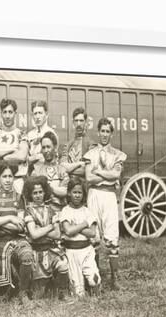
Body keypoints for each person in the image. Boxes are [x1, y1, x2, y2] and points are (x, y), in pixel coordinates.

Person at [84, 118, 127, 290]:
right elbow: (88, 177)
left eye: (107, 131)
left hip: (109, 196)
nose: (104, 134)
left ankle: (114, 279)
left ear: (111, 133)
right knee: (94, 237)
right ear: (98, 132)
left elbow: (116, 175)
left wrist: (99, 172)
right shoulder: (90, 154)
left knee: (111, 237)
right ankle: (95, 279)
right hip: (94, 194)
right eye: (102, 131)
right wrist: (106, 175)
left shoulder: (117, 154)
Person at [0, 160, 35, 305]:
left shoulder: (19, 197)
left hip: (16, 239)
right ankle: (8, 288)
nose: (7, 180)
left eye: (10, 176)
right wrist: (10, 218)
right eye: (4, 176)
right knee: (1, 293)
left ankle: (23, 292)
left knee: (27, 255)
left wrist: (0, 222)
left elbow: (20, 226)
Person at [22, 176, 70, 301]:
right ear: (30, 194)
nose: (38, 195)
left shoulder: (51, 210)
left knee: (63, 265)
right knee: (39, 295)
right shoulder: (28, 212)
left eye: (40, 192)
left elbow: (57, 234)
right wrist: (50, 227)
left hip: (51, 250)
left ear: (45, 192)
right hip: (36, 252)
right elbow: (34, 235)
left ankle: (62, 291)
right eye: (35, 193)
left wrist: (41, 229)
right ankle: (38, 288)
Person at [60, 177, 101, 297]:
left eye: (80, 192)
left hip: (87, 250)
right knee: (78, 292)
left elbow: (92, 233)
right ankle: (80, 289)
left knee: (95, 279)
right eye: (74, 192)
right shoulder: (66, 211)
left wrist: (76, 227)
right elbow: (68, 231)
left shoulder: (87, 211)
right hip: (72, 252)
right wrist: (84, 224)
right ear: (69, 193)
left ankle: (95, 293)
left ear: (83, 194)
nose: (77, 195)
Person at [0, 98, 29, 194]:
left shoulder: (22, 133)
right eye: (5, 112)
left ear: (15, 114)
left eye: (10, 112)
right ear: (1, 114)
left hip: (17, 181)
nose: (7, 116)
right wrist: (13, 149)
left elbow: (21, 156)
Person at [32, 132, 69, 211]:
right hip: (42, 212)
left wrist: (47, 187)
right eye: (43, 147)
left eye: (48, 147)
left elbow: (65, 191)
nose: (46, 150)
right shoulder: (36, 171)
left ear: (55, 147)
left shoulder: (62, 169)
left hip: (60, 211)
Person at [60, 107, 91, 177]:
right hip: (69, 184)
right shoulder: (68, 145)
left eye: (81, 120)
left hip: (83, 184)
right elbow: (62, 167)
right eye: (76, 121)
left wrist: (68, 169)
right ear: (73, 122)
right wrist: (79, 164)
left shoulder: (91, 145)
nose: (78, 124)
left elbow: (87, 170)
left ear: (86, 122)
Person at [26, 101, 58, 166]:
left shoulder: (51, 133)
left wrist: (31, 158)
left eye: (40, 113)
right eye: (35, 113)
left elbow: (47, 157)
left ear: (46, 115)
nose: (37, 116)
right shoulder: (30, 134)